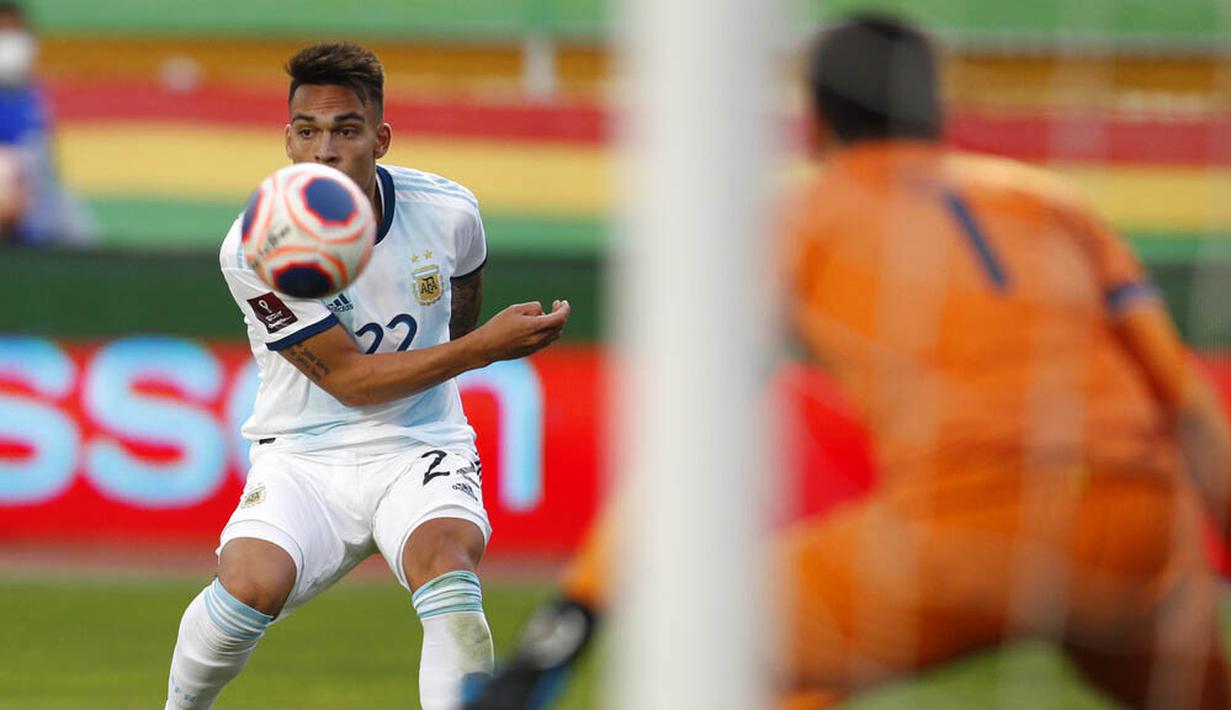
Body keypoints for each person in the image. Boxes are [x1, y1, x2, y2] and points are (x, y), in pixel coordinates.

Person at [465, 14, 1231, 710]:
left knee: (704, 649)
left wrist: (577, 612)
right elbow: (1184, 402)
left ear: (815, 121)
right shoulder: (1055, 203)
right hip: (1138, 526)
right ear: (938, 108)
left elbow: (699, 436)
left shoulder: (804, 217)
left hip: (967, 525)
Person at [164, 41, 571, 710]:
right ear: (288, 141)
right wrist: (484, 351)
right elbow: (350, 380)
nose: (325, 150)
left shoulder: (449, 211)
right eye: (307, 131)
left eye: (345, 131)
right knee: (248, 587)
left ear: (379, 138)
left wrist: (479, 345)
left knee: (448, 566)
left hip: (419, 445)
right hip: (303, 454)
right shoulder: (257, 244)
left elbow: (457, 322)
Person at [0, 1, 94, 246]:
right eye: (1, 33)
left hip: (39, 236)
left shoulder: (32, 97)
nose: (8, 43)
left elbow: (47, 179)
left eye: (14, 32)